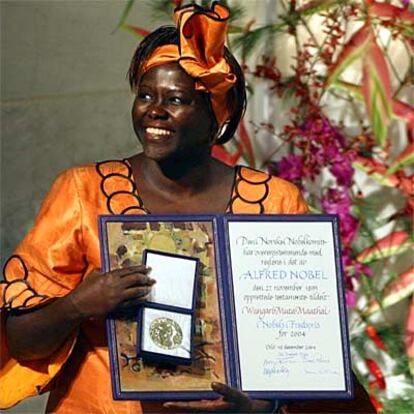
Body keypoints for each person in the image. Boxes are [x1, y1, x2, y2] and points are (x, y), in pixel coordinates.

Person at [1, 2, 374, 413]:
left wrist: (259, 408)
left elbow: (303, 344)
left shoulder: (274, 201)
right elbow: (22, 340)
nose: (154, 110)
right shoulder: (83, 192)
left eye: (176, 99)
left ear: (219, 117)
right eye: (145, 95)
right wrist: (78, 305)